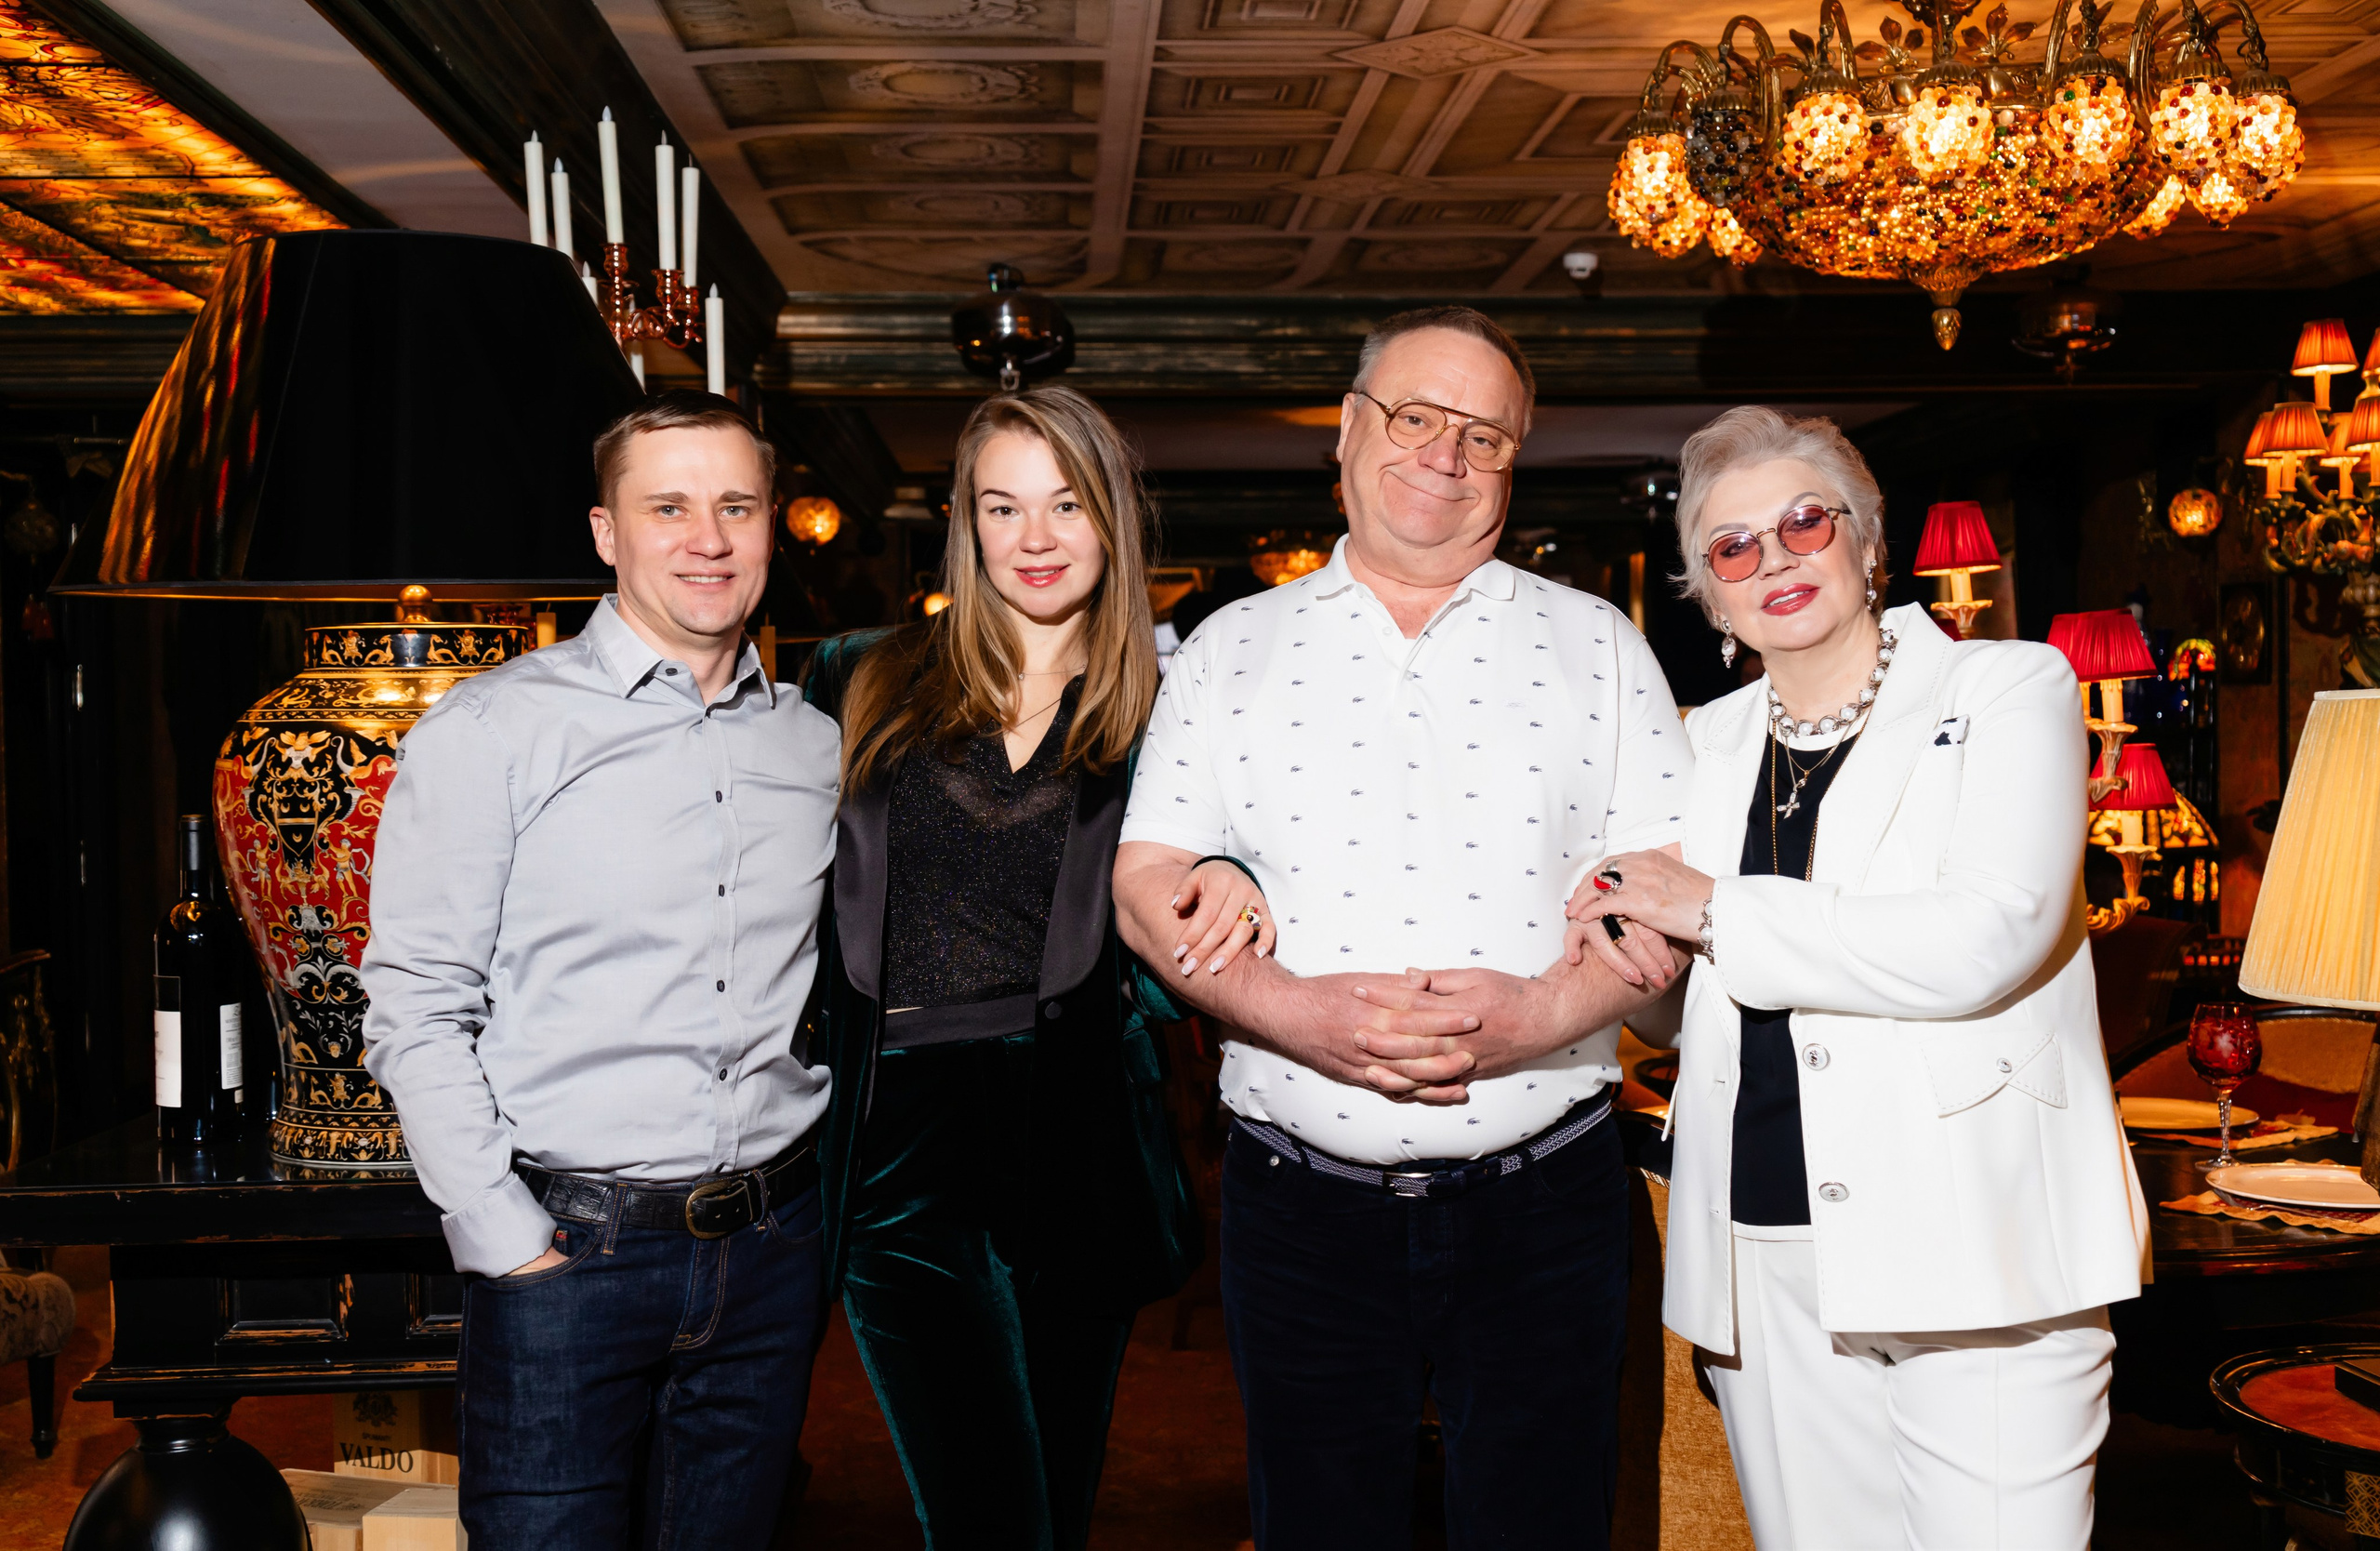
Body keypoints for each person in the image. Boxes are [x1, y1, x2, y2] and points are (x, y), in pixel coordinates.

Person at [1113, 306, 1692, 1550]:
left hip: (1547, 1205)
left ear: (1514, 460)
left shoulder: (1599, 645)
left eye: (1485, 435)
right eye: (1417, 418)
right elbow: (1145, 879)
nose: (1447, 454)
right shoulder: (1230, 650)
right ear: (1349, 430)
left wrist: (1538, 1015)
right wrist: (1296, 1015)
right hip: (1297, 1207)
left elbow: (1665, 902)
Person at [1565, 405, 2149, 1550]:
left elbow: (1987, 938)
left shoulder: (2007, 690)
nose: (1773, 557)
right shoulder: (1699, 744)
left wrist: (1709, 907)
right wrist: (1634, 961)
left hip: (1983, 1248)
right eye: (1732, 547)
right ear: (1710, 594)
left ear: (1867, 543)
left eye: (1801, 522)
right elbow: (1693, 1004)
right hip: (1764, 1247)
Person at [803, 385, 1276, 1551]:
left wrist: (1236, 879)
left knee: (1054, 1503)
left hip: (1081, 1136)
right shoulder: (858, 674)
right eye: (1002, 507)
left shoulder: (1172, 714)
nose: (1036, 538)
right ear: (965, 523)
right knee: (982, 1511)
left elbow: (1180, 955)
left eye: (1065, 504)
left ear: (1110, 519)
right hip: (900, 1141)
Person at [362, 391, 838, 1548]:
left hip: (772, 1253)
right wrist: (501, 1234)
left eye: (736, 506)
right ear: (605, 533)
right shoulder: (492, 731)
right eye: (666, 507)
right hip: (569, 1255)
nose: (707, 540)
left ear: (772, 524)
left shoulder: (815, 745)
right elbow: (415, 1003)